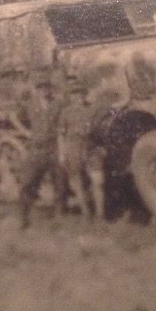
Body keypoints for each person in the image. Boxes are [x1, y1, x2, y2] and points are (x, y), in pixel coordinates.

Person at [19, 75, 65, 229]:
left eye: (46, 88)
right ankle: (24, 219)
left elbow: (63, 123)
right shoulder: (30, 105)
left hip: (53, 148)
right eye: (40, 88)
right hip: (37, 148)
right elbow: (18, 118)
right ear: (36, 90)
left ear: (50, 89)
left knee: (59, 184)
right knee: (28, 183)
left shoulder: (58, 104)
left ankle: (58, 218)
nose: (44, 91)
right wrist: (28, 134)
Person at [59, 83, 106, 220]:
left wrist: (102, 147)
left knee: (98, 181)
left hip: (92, 148)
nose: (78, 97)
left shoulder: (92, 110)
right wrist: (62, 154)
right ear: (71, 97)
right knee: (76, 182)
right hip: (73, 148)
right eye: (75, 94)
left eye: (80, 94)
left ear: (84, 95)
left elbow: (101, 129)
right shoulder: (66, 112)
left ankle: (100, 215)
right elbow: (61, 134)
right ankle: (85, 213)